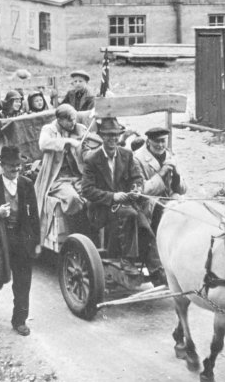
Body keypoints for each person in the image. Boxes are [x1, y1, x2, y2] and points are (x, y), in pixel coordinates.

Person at [81, 117, 164, 284]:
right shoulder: (92, 159)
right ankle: (128, 260)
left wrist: (136, 189)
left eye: (115, 136)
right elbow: (87, 190)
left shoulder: (126, 154)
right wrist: (112, 197)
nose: (112, 139)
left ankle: (157, 268)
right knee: (131, 215)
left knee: (151, 216)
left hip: (126, 203)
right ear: (102, 137)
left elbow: (137, 178)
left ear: (119, 137)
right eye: (108, 136)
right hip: (101, 209)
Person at [0, 145, 40, 336]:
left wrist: (36, 242)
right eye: (12, 166)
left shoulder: (27, 184)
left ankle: (19, 321)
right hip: (0, 241)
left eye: (19, 165)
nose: (16, 169)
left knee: (23, 283)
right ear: (2, 165)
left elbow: (34, 216)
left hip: (22, 241)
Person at [34, 104, 89, 239]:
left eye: (74, 119)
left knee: (92, 196)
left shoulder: (79, 129)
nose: (73, 123)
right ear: (60, 119)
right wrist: (67, 141)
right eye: (70, 120)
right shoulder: (49, 129)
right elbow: (43, 144)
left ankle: (89, 232)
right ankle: (75, 234)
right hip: (57, 178)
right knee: (73, 199)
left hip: (77, 177)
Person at [134, 127, 188, 232]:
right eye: (156, 141)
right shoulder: (137, 158)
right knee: (167, 212)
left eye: (162, 141)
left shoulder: (170, 155)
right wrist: (161, 173)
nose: (160, 145)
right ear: (148, 141)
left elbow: (183, 190)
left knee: (186, 210)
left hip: (169, 199)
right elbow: (141, 191)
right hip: (149, 203)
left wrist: (176, 175)